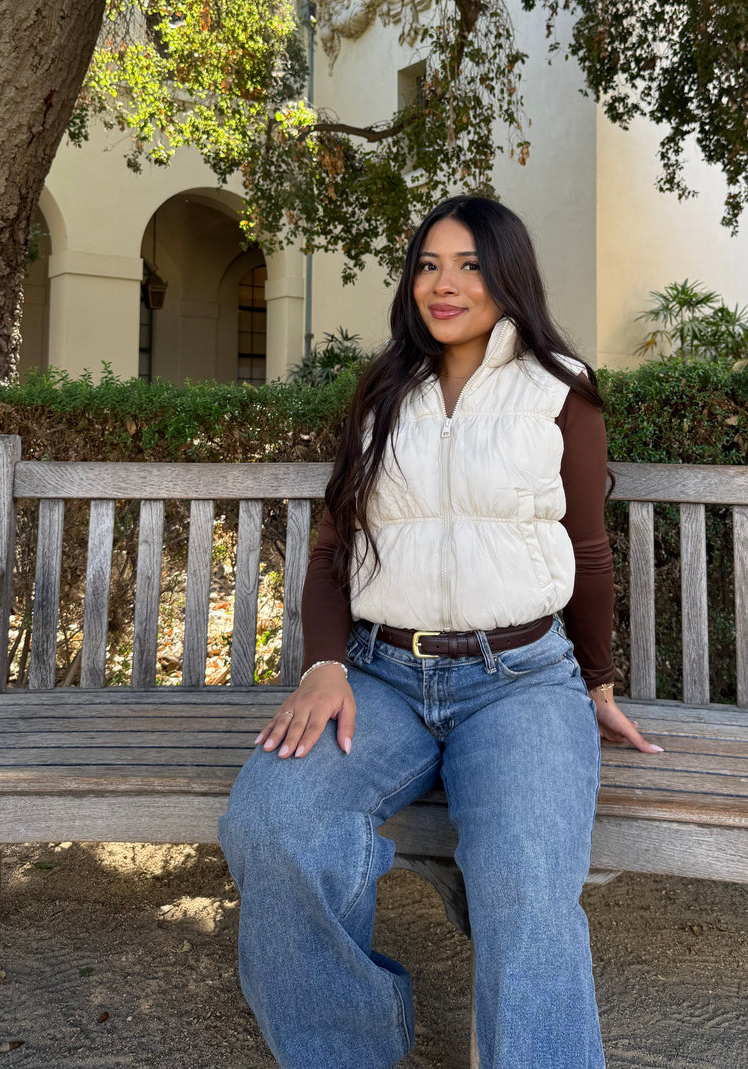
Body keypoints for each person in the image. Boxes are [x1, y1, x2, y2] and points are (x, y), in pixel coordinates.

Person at [219, 195, 661, 1069]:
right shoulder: (384, 391)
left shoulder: (559, 391)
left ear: (507, 276)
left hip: (521, 681)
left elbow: (587, 548)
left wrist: (598, 681)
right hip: (379, 677)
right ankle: (350, 1043)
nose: (444, 284)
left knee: (527, 892)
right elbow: (333, 547)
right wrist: (323, 665)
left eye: (466, 264)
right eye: (428, 264)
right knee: (270, 822)